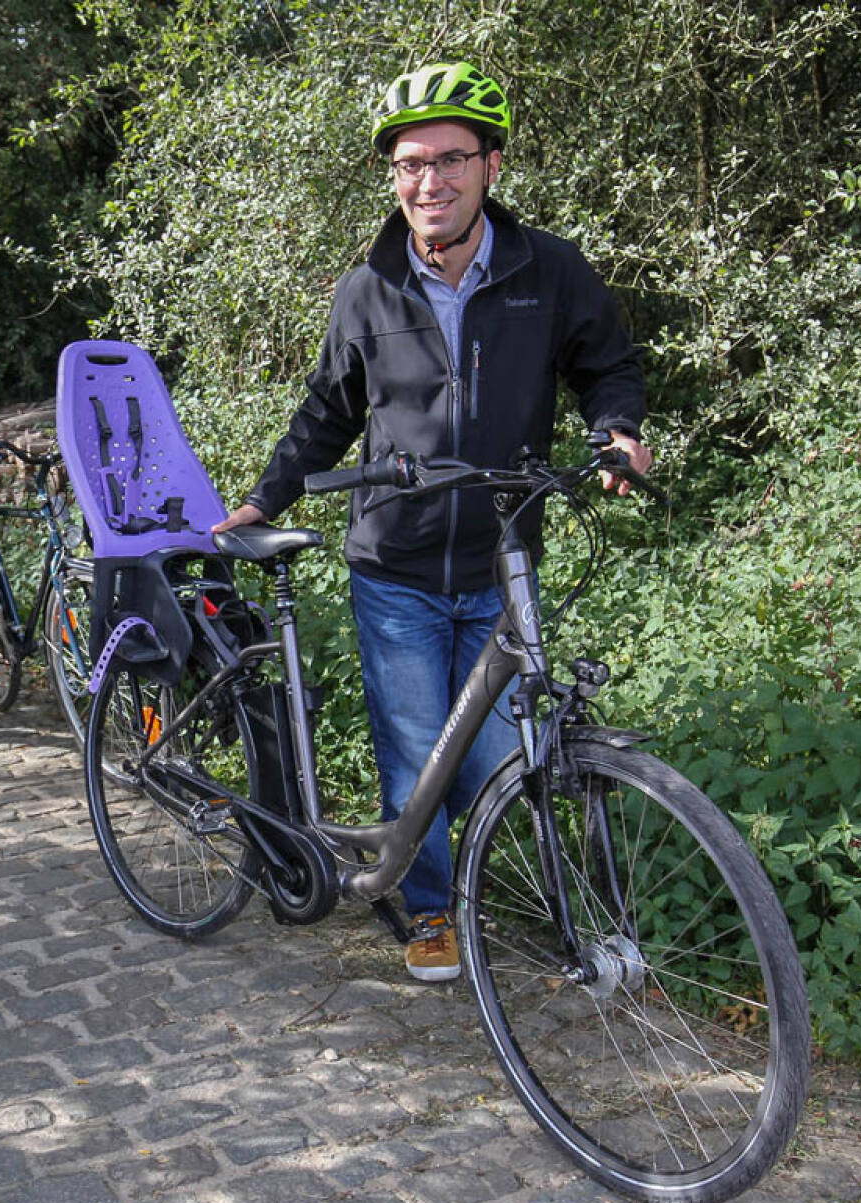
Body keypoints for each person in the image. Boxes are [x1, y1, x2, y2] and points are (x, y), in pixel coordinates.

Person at [212, 61, 652, 983]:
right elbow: (328, 411)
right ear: (394, 176)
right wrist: (264, 499)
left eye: (451, 159)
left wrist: (617, 430)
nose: (430, 181)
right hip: (397, 564)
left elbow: (607, 365)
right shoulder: (368, 286)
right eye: (411, 164)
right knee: (416, 757)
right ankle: (427, 911)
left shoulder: (548, 270)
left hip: (503, 557)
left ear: (491, 166)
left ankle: (479, 896)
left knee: (490, 762)